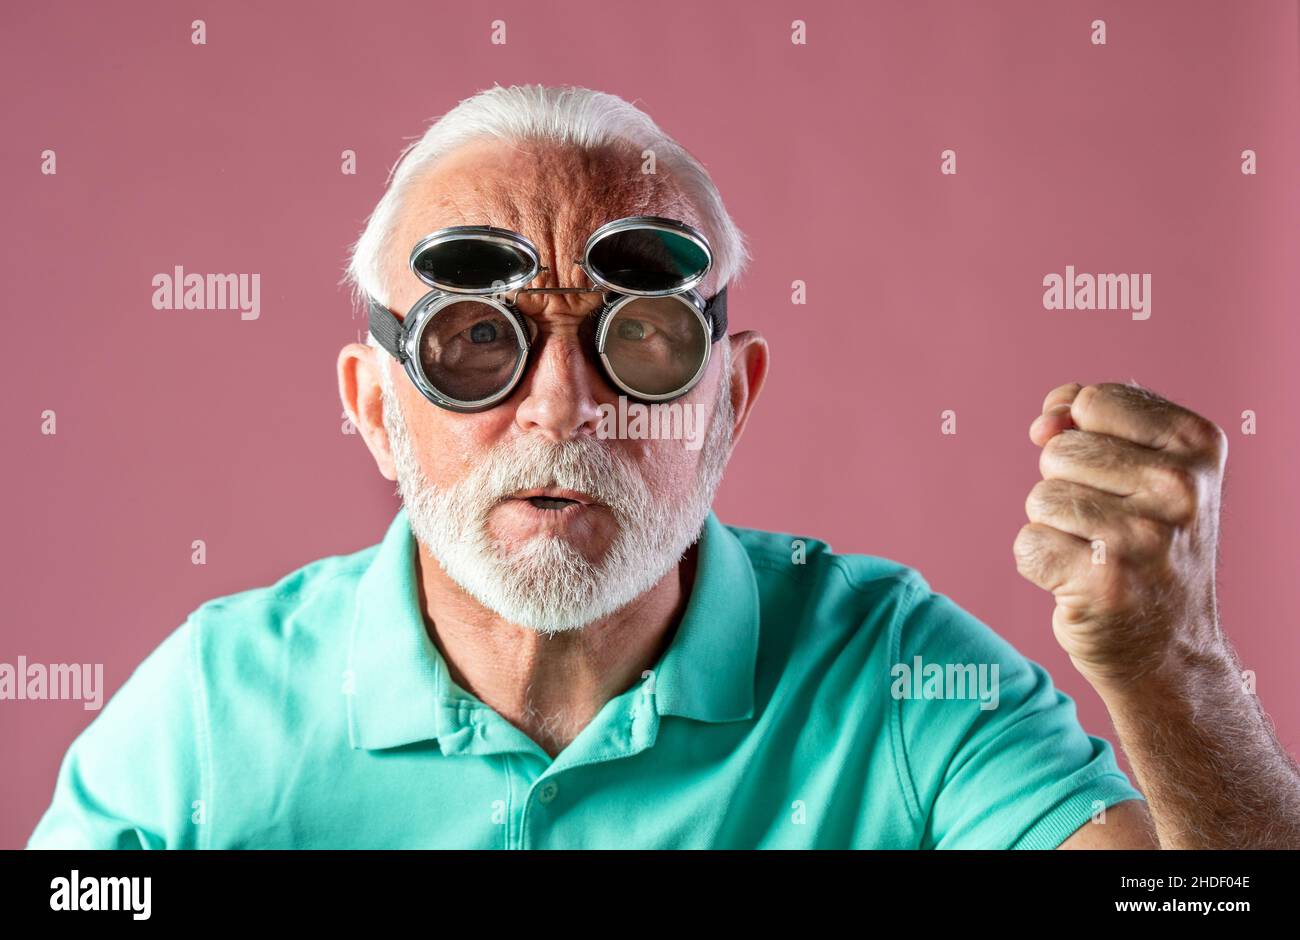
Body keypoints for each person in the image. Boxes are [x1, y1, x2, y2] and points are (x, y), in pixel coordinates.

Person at [28, 84, 1300, 849]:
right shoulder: (213, 711)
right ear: (373, 406)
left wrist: (1173, 671)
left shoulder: (899, 680)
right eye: (479, 343)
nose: (564, 404)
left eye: (640, 341)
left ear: (729, 401)